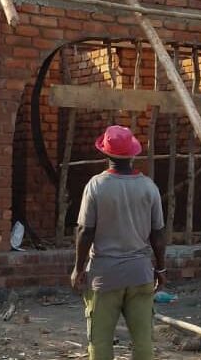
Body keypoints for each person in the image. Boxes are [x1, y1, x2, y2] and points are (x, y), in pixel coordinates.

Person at [71, 125, 166, 360]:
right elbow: (158, 234)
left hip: (105, 277)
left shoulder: (96, 186)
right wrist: (161, 268)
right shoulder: (148, 187)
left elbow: (85, 231)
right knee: (143, 342)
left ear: (106, 154)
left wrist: (78, 268)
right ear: (133, 154)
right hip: (140, 274)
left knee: (100, 342)